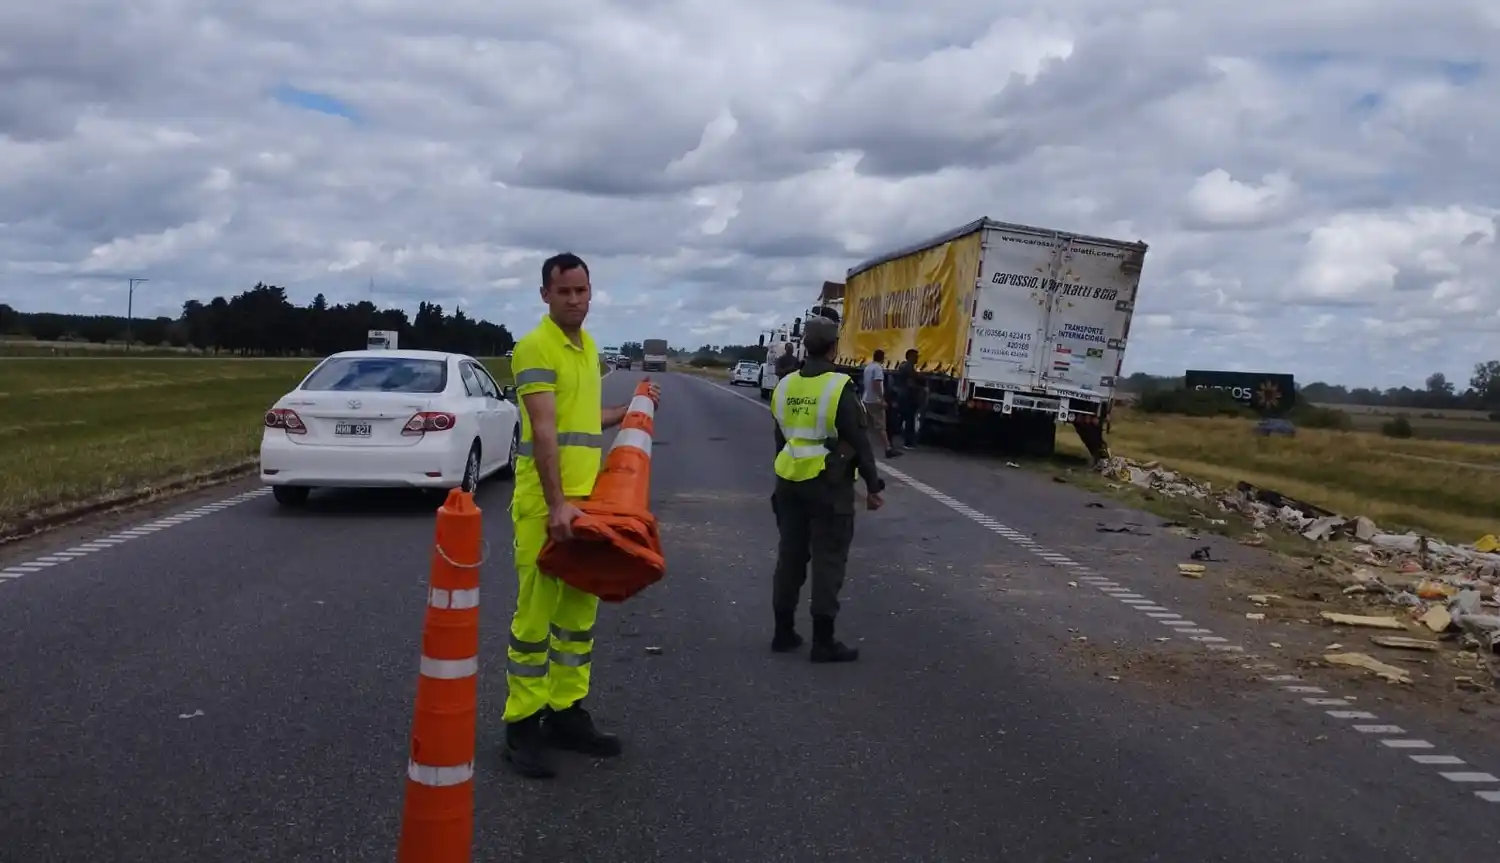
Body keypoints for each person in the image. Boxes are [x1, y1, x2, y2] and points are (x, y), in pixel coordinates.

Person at [502, 251, 661, 779]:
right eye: (564, 291)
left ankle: (566, 711)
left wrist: (633, 408)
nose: (574, 300)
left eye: (581, 290)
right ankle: (522, 724)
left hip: (588, 503)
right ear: (545, 295)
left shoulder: (588, 348)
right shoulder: (534, 347)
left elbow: (582, 417)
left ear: (591, 293)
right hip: (546, 505)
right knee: (534, 618)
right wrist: (555, 505)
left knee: (577, 615)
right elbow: (545, 428)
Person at [769, 314, 885, 663]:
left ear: (805, 346)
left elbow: (780, 438)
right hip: (828, 485)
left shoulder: (785, 386)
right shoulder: (838, 387)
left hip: (789, 483)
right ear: (834, 348)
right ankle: (823, 641)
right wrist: (873, 485)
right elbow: (858, 440)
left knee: (790, 558)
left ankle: (783, 632)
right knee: (828, 560)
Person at [861, 349, 900, 459]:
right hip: (875, 400)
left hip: (866, 398)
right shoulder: (878, 368)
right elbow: (876, 383)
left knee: (868, 426)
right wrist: (882, 399)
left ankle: (864, 448)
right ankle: (887, 449)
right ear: (882, 358)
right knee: (881, 426)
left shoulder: (868, 367)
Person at [889, 348, 921, 449]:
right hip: (907, 397)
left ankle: (890, 438)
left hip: (903, 395)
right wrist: (920, 388)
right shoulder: (908, 367)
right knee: (908, 419)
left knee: (901, 419)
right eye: (916, 356)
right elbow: (910, 383)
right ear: (910, 357)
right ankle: (908, 442)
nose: (917, 358)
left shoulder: (904, 366)